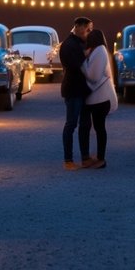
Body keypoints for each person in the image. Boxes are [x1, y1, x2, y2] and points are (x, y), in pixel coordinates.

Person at [59, 16, 94, 170]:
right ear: (78, 27)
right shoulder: (68, 45)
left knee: (86, 124)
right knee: (71, 124)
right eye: (87, 29)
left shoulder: (81, 43)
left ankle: (85, 157)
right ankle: (68, 160)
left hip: (84, 90)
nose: (88, 32)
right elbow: (73, 65)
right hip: (73, 90)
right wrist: (85, 55)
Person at [79, 28, 117, 168]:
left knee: (99, 128)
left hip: (99, 98)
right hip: (99, 98)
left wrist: (82, 64)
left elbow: (93, 76)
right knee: (99, 128)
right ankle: (99, 157)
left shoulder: (99, 52)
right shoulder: (100, 51)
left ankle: (101, 158)